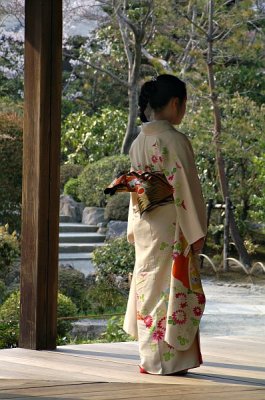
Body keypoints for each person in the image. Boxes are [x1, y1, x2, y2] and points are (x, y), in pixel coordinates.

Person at [123, 74, 207, 375]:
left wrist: (134, 227)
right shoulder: (174, 139)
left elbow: (135, 189)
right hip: (173, 222)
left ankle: (151, 357)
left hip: (147, 221)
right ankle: (167, 360)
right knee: (170, 287)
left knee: (150, 285)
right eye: (183, 104)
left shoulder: (138, 142)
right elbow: (186, 188)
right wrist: (196, 230)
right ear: (175, 104)